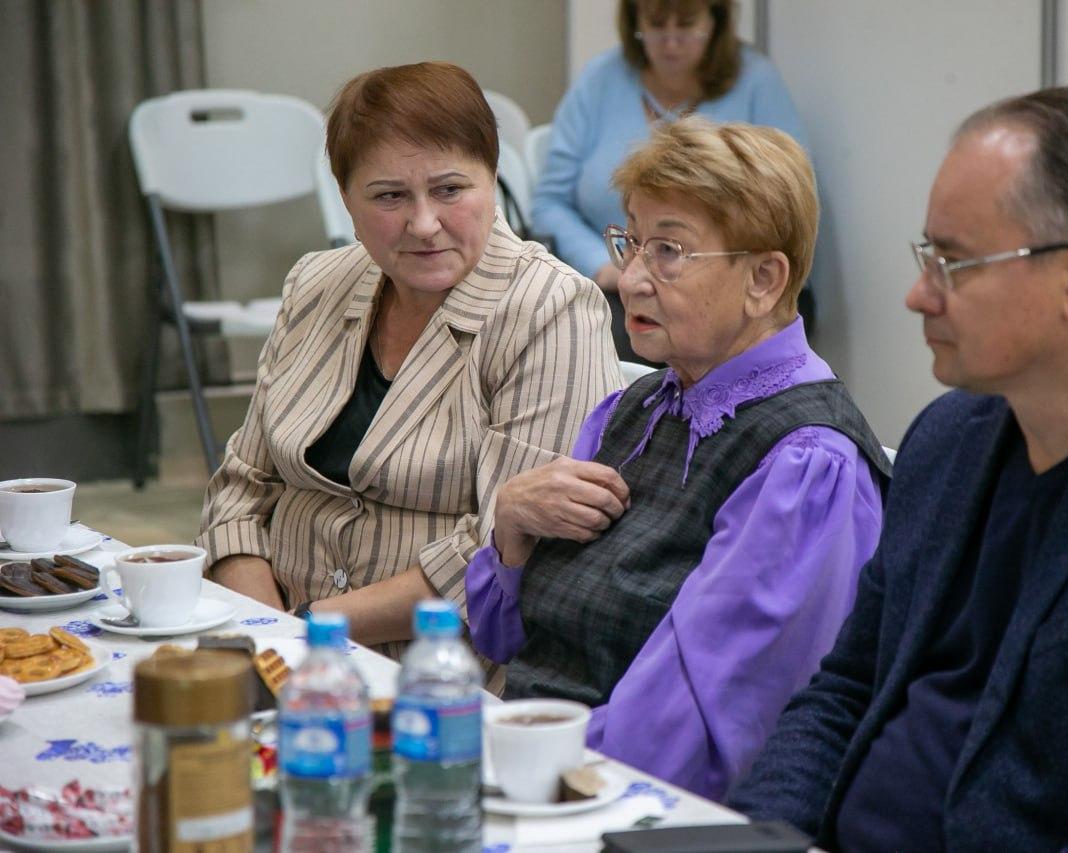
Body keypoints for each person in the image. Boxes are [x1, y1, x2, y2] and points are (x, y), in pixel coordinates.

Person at [729, 86, 1068, 851]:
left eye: (953, 262)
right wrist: (757, 841)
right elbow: (845, 691)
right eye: (927, 257)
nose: (918, 294)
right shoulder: (947, 439)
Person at [467, 117, 892, 801]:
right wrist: (511, 530)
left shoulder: (806, 465)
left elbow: (695, 728)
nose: (629, 278)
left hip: (625, 801)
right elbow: (501, 636)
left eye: (669, 250)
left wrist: (514, 773)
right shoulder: (634, 409)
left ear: (763, 278)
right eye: (630, 241)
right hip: (541, 762)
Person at [196, 62, 620, 662]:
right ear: (346, 201)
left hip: (441, 665)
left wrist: (308, 630)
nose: (424, 225)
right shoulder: (316, 284)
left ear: (493, 180)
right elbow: (243, 487)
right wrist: (264, 633)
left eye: (450, 190)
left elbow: (511, 547)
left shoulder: (550, 309)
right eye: (390, 196)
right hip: (272, 634)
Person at [532, 0, 811, 361]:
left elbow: (791, 207)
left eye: (687, 25)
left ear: (715, 21)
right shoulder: (600, 79)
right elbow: (549, 202)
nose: (671, 42)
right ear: (635, 21)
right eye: (656, 25)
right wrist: (602, 264)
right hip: (612, 287)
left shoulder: (757, 81)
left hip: (722, 287)